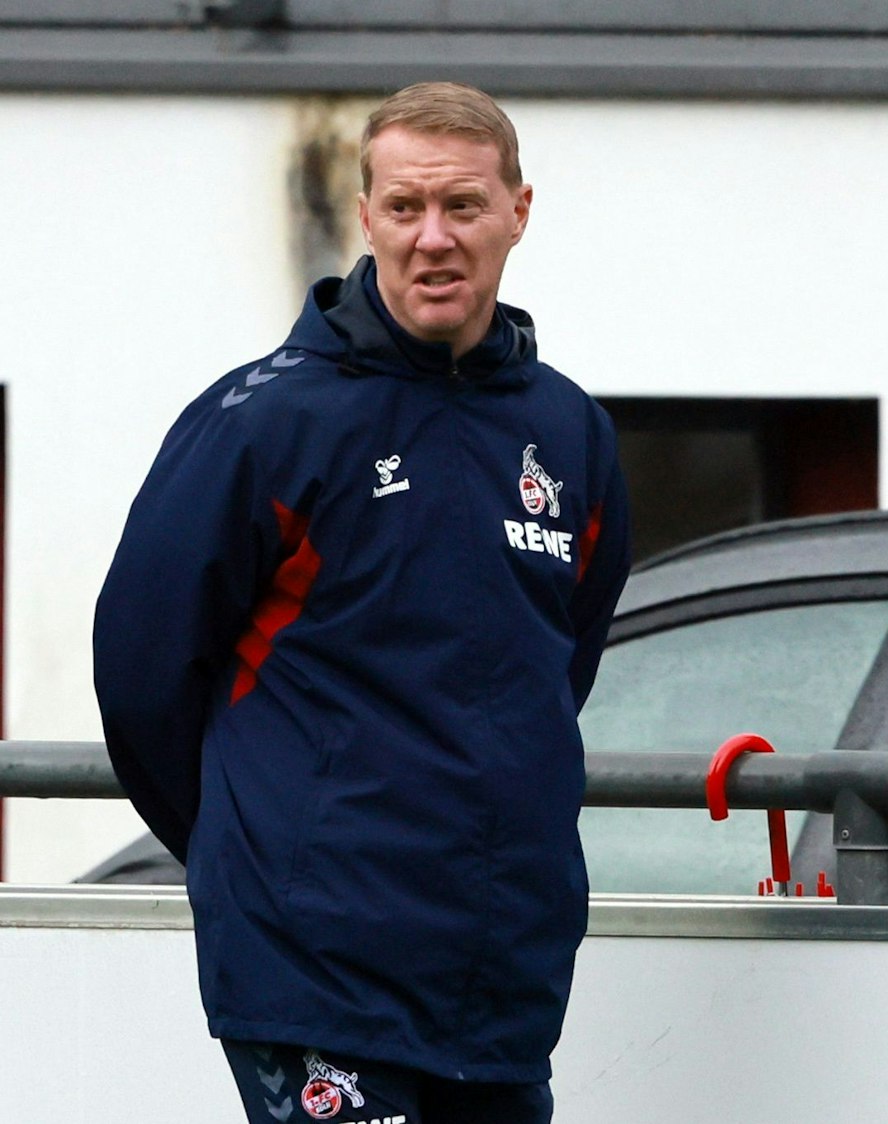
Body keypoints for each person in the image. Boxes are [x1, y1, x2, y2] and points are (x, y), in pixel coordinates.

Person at [93, 82, 632, 1120]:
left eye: (463, 206)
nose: (433, 238)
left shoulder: (569, 434)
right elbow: (143, 678)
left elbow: (558, 666)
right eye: (405, 207)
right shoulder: (263, 424)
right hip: (316, 970)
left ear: (519, 211)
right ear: (367, 216)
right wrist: (271, 846)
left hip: (501, 977)